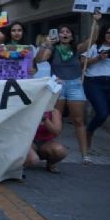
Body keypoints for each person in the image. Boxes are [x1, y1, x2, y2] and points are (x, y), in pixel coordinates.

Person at [36, 18, 96, 164]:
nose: (64, 34)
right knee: (57, 121)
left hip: (75, 85)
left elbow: (93, 38)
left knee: (78, 120)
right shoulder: (52, 48)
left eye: (67, 32)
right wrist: (47, 44)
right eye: (61, 32)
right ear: (58, 35)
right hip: (58, 86)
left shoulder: (77, 48)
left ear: (71, 35)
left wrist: (95, 20)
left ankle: (85, 154)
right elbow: (39, 60)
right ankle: (55, 154)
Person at [82, 22, 110, 158]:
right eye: (109, 33)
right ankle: (89, 131)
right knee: (102, 113)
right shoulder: (94, 46)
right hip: (94, 82)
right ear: (103, 34)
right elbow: (82, 63)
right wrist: (99, 57)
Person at [25, 109, 67, 173]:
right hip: (28, 141)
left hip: (46, 143)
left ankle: (50, 163)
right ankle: (19, 166)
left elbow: (56, 131)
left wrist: (44, 119)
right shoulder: (27, 108)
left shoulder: (54, 111)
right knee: (33, 160)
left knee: (60, 151)